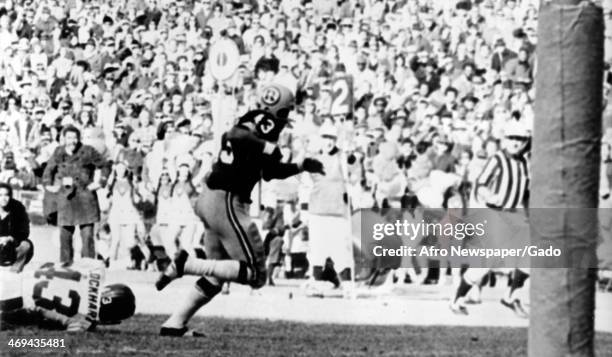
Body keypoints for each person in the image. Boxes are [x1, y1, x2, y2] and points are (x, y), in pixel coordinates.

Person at [154, 83, 325, 336]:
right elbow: (235, 135)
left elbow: (268, 172)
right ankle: (186, 264)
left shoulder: (261, 124)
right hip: (227, 201)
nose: (287, 116)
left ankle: (174, 323)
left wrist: (300, 165)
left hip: (212, 198)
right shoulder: (262, 119)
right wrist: (268, 147)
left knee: (218, 271)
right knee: (255, 274)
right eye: (287, 110)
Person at [450, 120, 531, 317]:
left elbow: (524, 191)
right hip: (494, 215)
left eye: (520, 139)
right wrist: (489, 196)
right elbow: (481, 184)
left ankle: (511, 296)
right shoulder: (498, 159)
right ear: (505, 140)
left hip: (513, 215)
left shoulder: (522, 162)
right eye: (512, 138)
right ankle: (457, 300)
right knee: (483, 265)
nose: (515, 142)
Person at [0, 258, 135, 331]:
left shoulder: (97, 268)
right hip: (15, 302)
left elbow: (74, 263)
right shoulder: (84, 322)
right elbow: (67, 335)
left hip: (16, 277)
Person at [42, 125, 109, 267]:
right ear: (64, 138)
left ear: (79, 138)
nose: (72, 141)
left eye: (75, 138)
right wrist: (49, 185)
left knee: (87, 237)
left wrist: (99, 183)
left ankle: (88, 270)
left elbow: (105, 165)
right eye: (69, 138)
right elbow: (48, 170)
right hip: (65, 200)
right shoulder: (58, 152)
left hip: (85, 199)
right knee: (65, 237)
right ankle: (66, 271)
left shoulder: (88, 151)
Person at [0, 183, 32, 272]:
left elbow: (24, 230)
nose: (3, 198)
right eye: (0, 195)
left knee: (26, 245)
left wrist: (11, 238)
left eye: (6, 195)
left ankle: (16, 264)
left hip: (12, 243)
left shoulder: (17, 207)